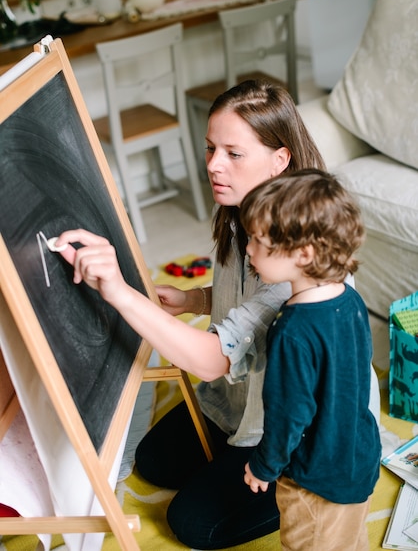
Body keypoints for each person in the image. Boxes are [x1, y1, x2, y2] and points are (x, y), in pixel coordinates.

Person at [56, 80, 379, 550]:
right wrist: (194, 301)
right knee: (154, 463)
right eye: (210, 148)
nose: (213, 165)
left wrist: (121, 293)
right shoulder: (244, 220)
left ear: (280, 160)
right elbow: (239, 301)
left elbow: (213, 359)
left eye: (233, 153)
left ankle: (287, 488)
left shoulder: (297, 284)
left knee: (191, 523)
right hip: (236, 397)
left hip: (296, 438)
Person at [240, 169, 381, 551]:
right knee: (349, 540)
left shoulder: (292, 330)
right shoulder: (349, 300)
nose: (248, 249)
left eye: (257, 240)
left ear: (303, 254)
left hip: (316, 480)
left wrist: (263, 466)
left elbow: (289, 414)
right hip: (359, 454)